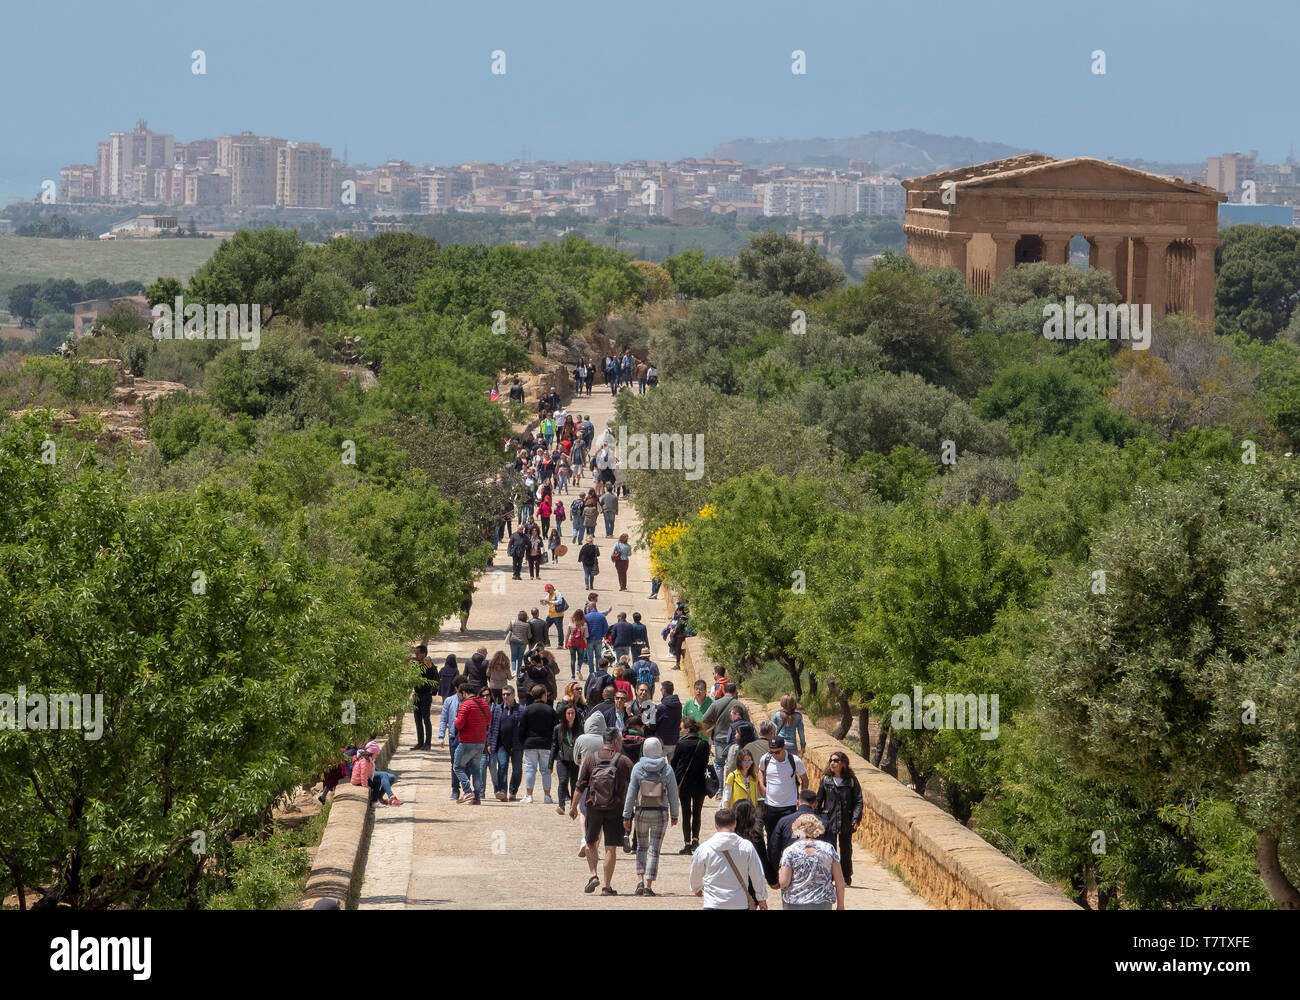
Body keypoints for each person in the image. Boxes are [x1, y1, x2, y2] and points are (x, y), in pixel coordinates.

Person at [572, 728, 634, 896]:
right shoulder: (623, 761)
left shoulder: (591, 758)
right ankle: (607, 886)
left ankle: (593, 875)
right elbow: (635, 782)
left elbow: (580, 785)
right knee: (610, 849)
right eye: (620, 741)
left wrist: (573, 807)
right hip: (615, 808)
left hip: (594, 807)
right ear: (615, 742)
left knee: (590, 843)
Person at [622, 737, 680, 897]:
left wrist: (626, 815)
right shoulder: (667, 769)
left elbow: (631, 793)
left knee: (641, 847)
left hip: (641, 811)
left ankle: (639, 880)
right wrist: (675, 814)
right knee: (654, 850)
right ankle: (648, 885)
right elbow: (674, 795)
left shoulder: (638, 768)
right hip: (661, 812)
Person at [689, 807, 768, 910]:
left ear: (716, 825)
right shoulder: (746, 846)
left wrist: (696, 888)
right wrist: (761, 898)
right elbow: (757, 874)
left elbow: (695, 872)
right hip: (739, 903)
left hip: (713, 903)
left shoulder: (704, 848)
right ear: (735, 823)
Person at [816, 751, 864, 886]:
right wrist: (817, 818)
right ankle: (828, 876)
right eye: (831, 760)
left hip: (845, 820)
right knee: (829, 849)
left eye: (836, 760)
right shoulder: (826, 780)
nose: (832, 763)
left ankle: (845, 877)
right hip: (828, 819)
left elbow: (858, 801)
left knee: (846, 850)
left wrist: (855, 819)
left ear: (843, 763)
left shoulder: (851, 781)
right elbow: (819, 800)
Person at [779, 814, 846, 910]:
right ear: (818, 828)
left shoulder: (790, 851)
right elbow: (839, 881)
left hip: (795, 903)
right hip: (822, 903)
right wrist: (841, 906)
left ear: (797, 828)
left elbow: (784, 882)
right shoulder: (828, 849)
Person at [767, 789, 834, 878]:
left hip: (791, 875)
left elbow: (774, 848)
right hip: (818, 875)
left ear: (797, 803)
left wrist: (774, 875)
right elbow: (832, 852)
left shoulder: (783, 822)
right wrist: (831, 876)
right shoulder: (824, 824)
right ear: (815, 804)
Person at [757, 736, 808, 844]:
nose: (774, 755)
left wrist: (802, 799)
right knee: (771, 838)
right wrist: (761, 785)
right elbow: (760, 771)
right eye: (772, 752)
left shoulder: (795, 761)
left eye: (777, 752)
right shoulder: (765, 759)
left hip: (789, 806)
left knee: (790, 838)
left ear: (784, 747)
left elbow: (804, 779)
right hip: (770, 806)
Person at [672, 717, 711, 855]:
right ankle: (695, 839)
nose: (680, 730)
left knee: (686, 813)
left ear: (688, 729)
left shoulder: (681, 744)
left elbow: (674, 764)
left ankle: (687, 843)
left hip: (685, 784)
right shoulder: (704, 744)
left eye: (681, 728)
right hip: (700, 783)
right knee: (697, 813)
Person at [701, 683, 750, 787]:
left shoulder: (716, 704)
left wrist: (709, 733)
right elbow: (748, 724)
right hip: (735, 740)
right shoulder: (740, 706)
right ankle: (732, 788)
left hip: (719, 738)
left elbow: (704, 719)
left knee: (719, 764)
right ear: (735, 692)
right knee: (733, 764)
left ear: (723, 691)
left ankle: (719, 791)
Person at [453, 683, 492, 805]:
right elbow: (489, 720)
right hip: (480, 742)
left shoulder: (465, 705)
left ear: (464, 693)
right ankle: (477, 797)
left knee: (458, 767)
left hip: (467, 741)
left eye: (460, 694)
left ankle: (467, 791)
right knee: (476, 769)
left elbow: (459, 724)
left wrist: (455, 721)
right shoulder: (484, 704)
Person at [519, 684, 557, 804]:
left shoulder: (527, 709)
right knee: (546, 770)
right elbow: (555, 728)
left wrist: (522, 742)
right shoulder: (550, 710)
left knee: (530, 769)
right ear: (543, 695)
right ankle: (547, 796)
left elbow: (522, 728)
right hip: (546, 743)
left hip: (530, 743)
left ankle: (529, 795)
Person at [487, 686, 525, 801]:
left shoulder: (522, 709)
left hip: (517, 745)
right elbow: (491, 727)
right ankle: (502, 791)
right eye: (503, 694)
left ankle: (513, 791)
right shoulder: (497, 709)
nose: (505, 696)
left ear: (514, 695)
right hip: (501, 744)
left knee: (517, 769)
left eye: (508, 694)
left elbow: (525, 728)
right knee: (502, 766)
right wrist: (489, 743)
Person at [551, 702, 583, 815]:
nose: (570, 715)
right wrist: (550, 764)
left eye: (572, 713)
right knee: (563, 780)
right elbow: (554, 746)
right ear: (564, 715)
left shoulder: (580, 728)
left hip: (575, 761)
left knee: (575, 783)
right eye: (568, 713)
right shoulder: (558, 728)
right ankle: (561, 805)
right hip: (562, 760)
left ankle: (573, 806)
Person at [351, 740, 403, 806]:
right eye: (376, 754)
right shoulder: (364, 761)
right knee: (381, 777)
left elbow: (370, 772)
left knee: (392, 777)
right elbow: (363, 774)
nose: (377, 755)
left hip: (369, 776)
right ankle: (391, 797)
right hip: (359, 780)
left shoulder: (370, 759)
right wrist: (365, 786)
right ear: (371, 753)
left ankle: (379, 797)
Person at [438, 680, 463, 800]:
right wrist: (441, 736)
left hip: (466, 737)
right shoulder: (449, 701)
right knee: (455, 764)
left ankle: (467, 788)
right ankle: (455, 789)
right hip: (453, 736)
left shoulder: (470, 701)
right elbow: (444, 719)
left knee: (467, 764)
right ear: (456, 688)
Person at [412, 644, 438, 750]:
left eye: (418, 653)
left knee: (426, 719)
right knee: (417, 719)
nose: (416, 655)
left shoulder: (430, 665)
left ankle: (428, 744)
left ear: (423, 654)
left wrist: (430, 666)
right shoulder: (415, 665)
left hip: (426, 695)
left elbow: (436, 677)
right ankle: (420, 742)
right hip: (417, 695)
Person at [723, 747, 761, 811]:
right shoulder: (732, 776)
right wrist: (726, 811)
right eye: (745, 761)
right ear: (739, 761)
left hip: (751, 812)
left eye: (749, 761)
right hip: (736, 811)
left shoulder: (754, 776)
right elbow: (726, 795)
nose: (748, 764)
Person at [681, 679, 713, 746]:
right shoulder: (688, 703)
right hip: (690, 739)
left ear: (705, 691)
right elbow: (683, 720)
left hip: (705, 740)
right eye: (696, 689)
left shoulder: (712, 704)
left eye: (701, 689)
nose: (698, 692)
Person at [654, 680, 682, 749]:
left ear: (664, 691)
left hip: (662, 743)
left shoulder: (661, 707)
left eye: (661, 689)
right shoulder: (679, 706)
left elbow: (653, 725)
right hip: (674, 741)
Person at [565, 609, 589, 679]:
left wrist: (565, 643)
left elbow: (567, 634)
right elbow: (586, 635)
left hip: (571, 642)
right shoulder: (584, 624)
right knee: (580, 658)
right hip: (580, 643)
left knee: (572, 659)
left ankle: (573, 676)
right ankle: (578, 669)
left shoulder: (571, 622)